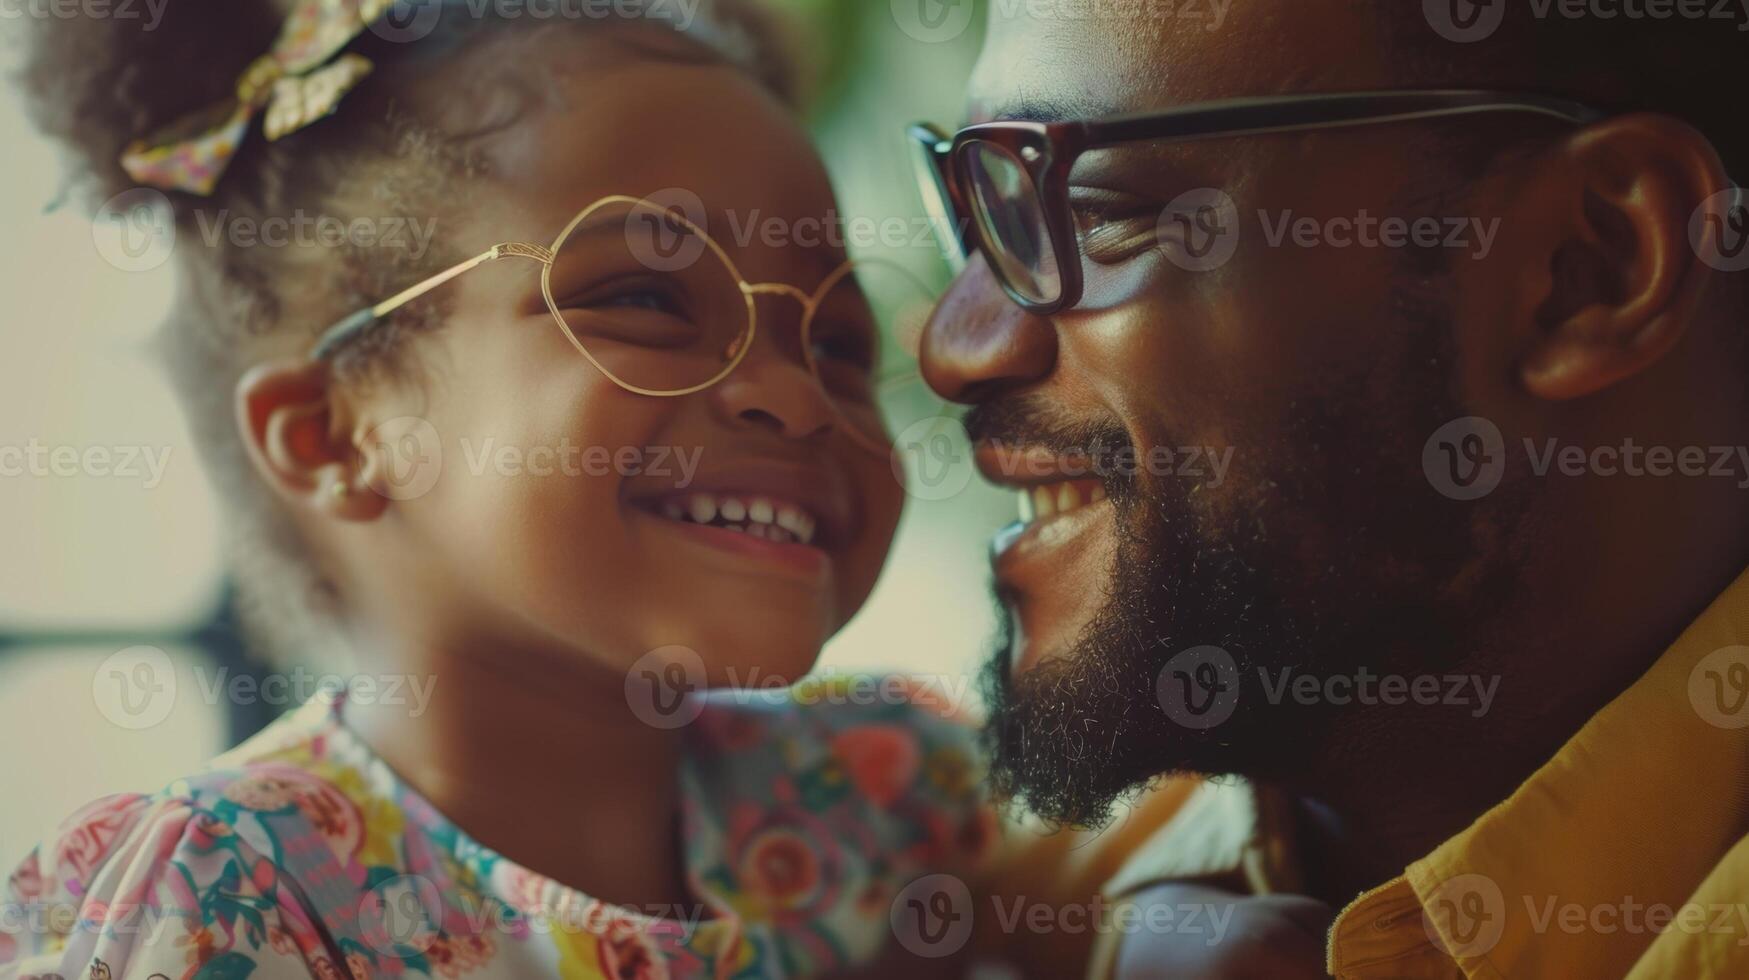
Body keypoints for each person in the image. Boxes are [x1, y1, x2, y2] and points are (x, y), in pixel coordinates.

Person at [0, 1, 999, 977]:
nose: (797, 393)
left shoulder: (895, 797)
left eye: (838, 341)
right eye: (646, 299)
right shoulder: (237, 894)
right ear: (335, 433)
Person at [911, 1, 1749, 976]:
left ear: (1583, 268)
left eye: (1095, 215)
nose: (951, 346)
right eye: (989, 211)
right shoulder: (962, 893)